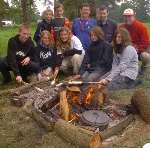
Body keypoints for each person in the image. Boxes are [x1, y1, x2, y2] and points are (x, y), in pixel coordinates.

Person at [120, 8, 150, 75]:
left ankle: (143, 67)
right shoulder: (121, 27)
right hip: (126, 49)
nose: (127, 18)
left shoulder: (141, 27)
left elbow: (146, 43)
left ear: (134, 16)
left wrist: (135, 48)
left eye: (129, 16)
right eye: (125, 16)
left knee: (146, 56)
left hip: (139, 50)